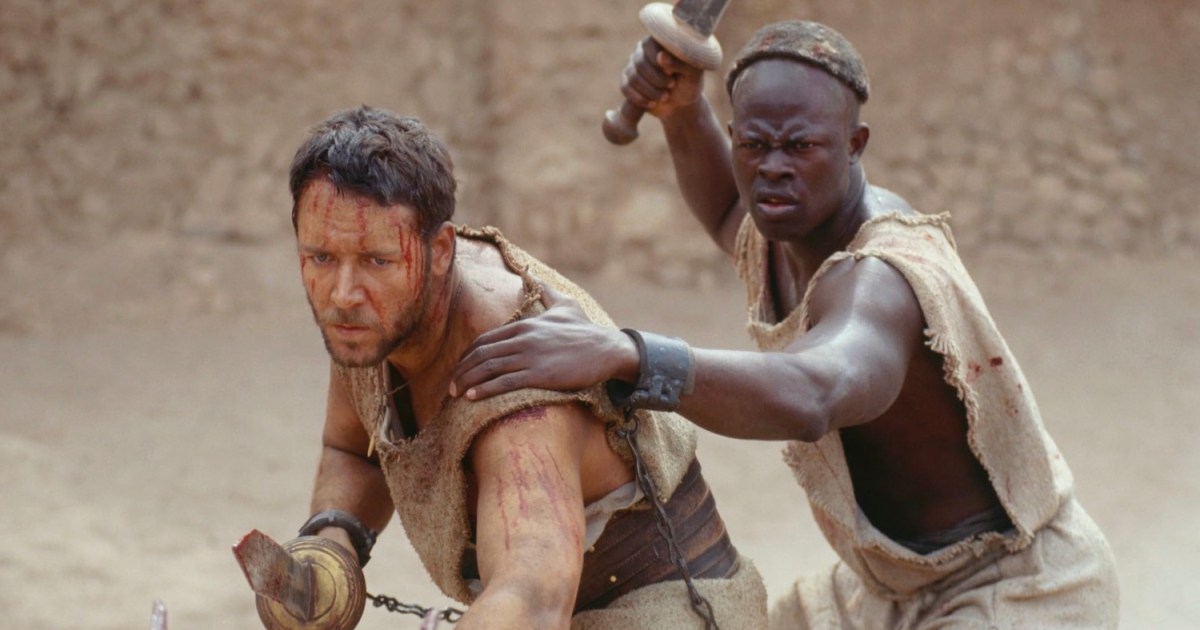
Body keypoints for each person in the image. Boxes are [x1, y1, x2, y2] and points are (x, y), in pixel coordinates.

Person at [449, 20, 1119, 628]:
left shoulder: (882, 277)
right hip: (880, 591)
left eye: (800, 146)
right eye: (753, 144)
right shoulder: (785, 233)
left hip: (1013, 587)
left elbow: (812, 393)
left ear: (855, 145)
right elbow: (725, 212)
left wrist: (628, 354)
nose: (773, 168)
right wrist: (681, 112)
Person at [280, 105, 767, 629]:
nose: (343, 293)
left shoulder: (516, 381)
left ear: (440, 250)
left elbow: (532, 601)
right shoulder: (374, 319)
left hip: (668, 615)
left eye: (377, 261)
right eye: (321, 258)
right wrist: (332, 544)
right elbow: (353, 449)